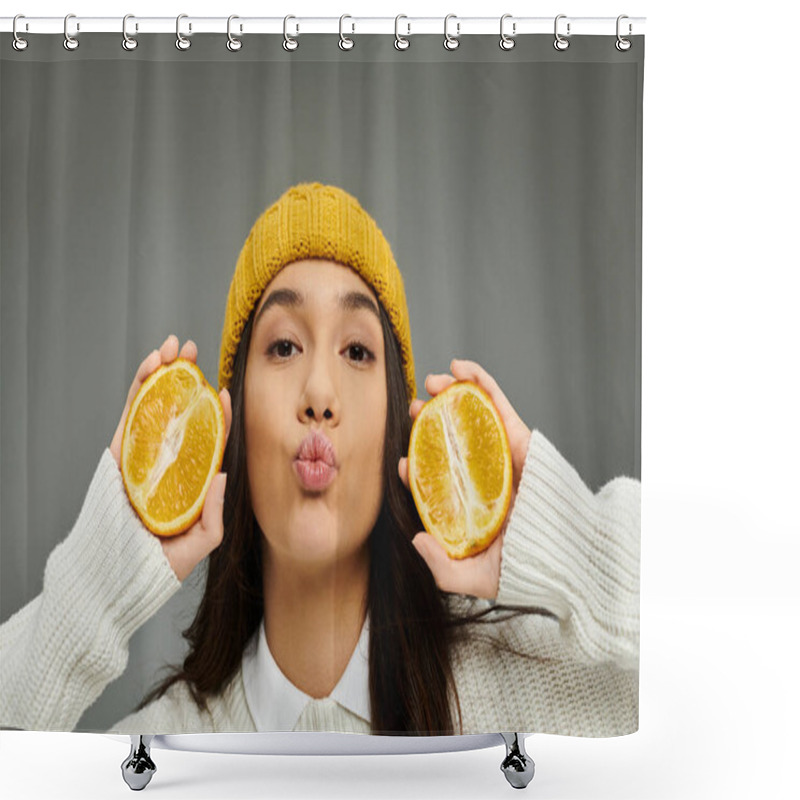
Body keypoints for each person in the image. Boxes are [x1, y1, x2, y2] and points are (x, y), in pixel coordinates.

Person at [0, 182, 640, 737]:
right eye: (282, 346)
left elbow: (724, 643)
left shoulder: (528, 694)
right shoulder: (164, 749)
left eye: (358, 352)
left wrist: (574, 545)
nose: (319, 396)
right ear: (232, 423)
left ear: (398, 428)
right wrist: (96, 586)